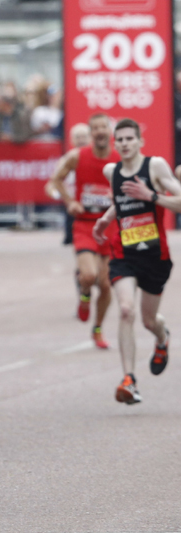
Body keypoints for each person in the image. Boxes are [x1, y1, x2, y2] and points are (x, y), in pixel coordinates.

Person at [93, 119, 181, 404]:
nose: (125, 143)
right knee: (126, 310)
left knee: (147, 320)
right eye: (120, 140)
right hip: (124, 254)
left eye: (130, 138)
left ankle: (162, 336)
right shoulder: (111, 171)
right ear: (115, 143)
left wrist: (151, 196)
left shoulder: (155, 167)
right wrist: (105, 220)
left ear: (140, 141)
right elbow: (121, 199)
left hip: (155, 257)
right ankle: (129, 380)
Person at [49, 114, 118, 348]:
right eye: (95, 128)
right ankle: (85, 295)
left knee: (107, 284)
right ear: (91, 133)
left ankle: (97, 329)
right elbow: (57, 179)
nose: (99, 131)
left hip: (110, 226)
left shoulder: (119, 158)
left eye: (103, 127)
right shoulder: (78, 156)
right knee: (89, 275)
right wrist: (70, 202)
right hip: (86, 224)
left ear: (110, 131)